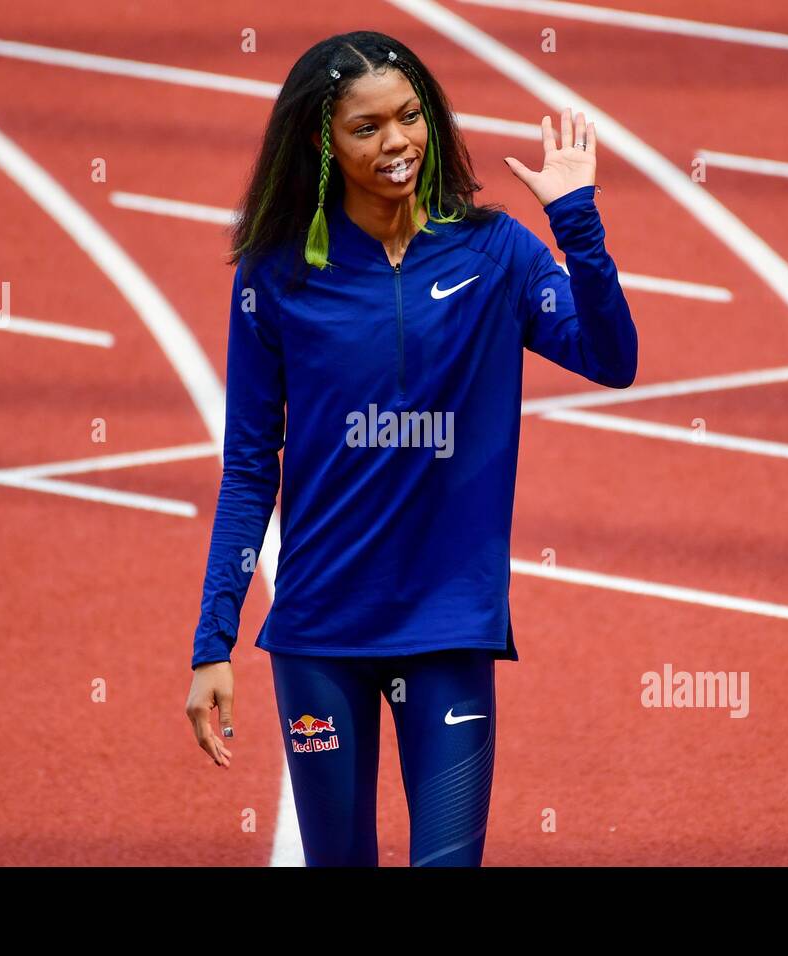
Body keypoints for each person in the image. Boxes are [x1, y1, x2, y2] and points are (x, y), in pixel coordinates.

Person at [185, 31, 637, 867]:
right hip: (321, 634)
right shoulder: (276, 275)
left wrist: (577, 223)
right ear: (321, 141)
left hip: (449, 629)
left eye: (410, 116)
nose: (397, 142)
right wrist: (214, 640)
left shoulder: (495, 253)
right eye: (366, 128)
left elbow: (613, 360)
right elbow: (251, 465)